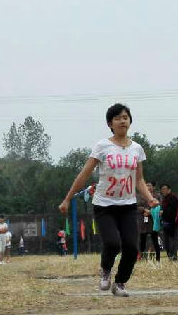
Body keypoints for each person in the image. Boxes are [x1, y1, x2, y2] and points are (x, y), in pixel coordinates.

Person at [59, 103, 157, 297]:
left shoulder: (137, 149)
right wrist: (67, 199)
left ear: (130, 121)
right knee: (112, 243)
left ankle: (120, 283)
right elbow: (84, 174)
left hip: (128, 205)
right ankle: (106, 270)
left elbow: (139, 179)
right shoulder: (102, 146)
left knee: (132, 248)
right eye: (118, 118)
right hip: (104, 206)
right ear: (110, 123)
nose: (122, 121)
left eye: (125, 117)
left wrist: (149, 198)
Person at [138, 181, 162, 262]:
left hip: (153, 220)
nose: (147, 187)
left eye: (149, 185)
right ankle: (141, 257)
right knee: (142, 240)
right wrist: (144, 209)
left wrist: (150, 212)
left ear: (153, 187)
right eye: (146, 185)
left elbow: (159, 206)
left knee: (155, 240)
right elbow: (136, 206)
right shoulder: (141, 195)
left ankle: (157, 258)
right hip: (143, 220)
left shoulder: (157, 196)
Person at [160, 184, 178, 261]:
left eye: (165, 189)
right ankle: (170, 255)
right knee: (166, 240)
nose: (163, 191)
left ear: (169, 190)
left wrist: (163, 212)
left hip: (173, 222)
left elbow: (172, 210)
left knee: (173, 240)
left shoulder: (173, 198)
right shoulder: (164, 199)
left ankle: (174, 256)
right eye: (162, 189)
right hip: (166, 222)